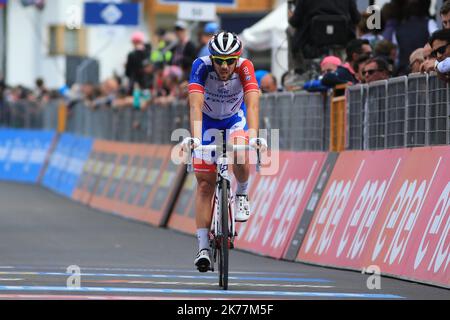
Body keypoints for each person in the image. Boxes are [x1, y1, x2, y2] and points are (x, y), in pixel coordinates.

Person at [181, 31, 267, 272]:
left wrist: (253, 136)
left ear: (237, 59)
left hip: (234, 120)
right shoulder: (201, 66)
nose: (225, 66)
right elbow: (195, 104)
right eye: (219, 60)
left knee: (240, 151)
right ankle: (202, 248)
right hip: (207, 122)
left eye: (230, 60)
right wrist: (196, 140)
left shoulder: (245, 67)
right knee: (205, 185)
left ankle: (241, 193)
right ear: (212, 58)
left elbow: (252, 104)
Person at [288, 0, 361, 71]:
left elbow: (294, 22)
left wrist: (290, 17)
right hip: (341, 40)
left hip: (312, 40)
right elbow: (356, 19)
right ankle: (350, 66)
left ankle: (298, 70)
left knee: (289, 29)